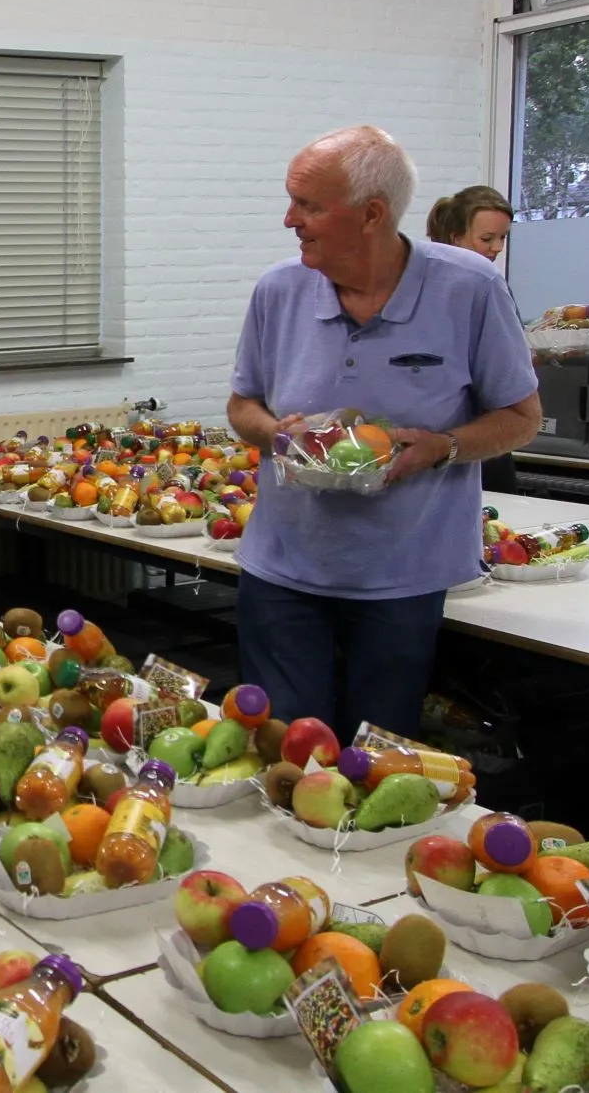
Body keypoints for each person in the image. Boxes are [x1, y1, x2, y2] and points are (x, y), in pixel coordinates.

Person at [227, 127, 541, 739]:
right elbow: (243, 404)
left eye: (308, 205)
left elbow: (521, 418)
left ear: (372, 214)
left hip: (404, 574)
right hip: (283, 569)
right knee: (283, 749)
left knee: (375, 752)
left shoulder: (471, 289)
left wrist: (441, 448)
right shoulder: (279, 290)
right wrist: (274, 432)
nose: (289, 219)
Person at [427, 184, 522, 493]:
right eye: (487, 239)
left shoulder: (490, 287)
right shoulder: (440, 291)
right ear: (456, 237)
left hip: (484, 439)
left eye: (503, 238)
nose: (497, 247)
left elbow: (502, 373)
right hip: (444, 441)